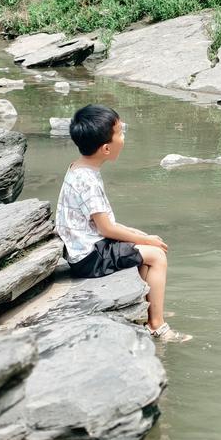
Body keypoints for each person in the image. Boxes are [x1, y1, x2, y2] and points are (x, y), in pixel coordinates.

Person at [56, 104, 190, 342]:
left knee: (145, 248)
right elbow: (106, 228)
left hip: (86, 247)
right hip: (89, 257)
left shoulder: (80, 168)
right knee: (157, 256)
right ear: (106, 148)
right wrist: (146, 240)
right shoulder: (88, 180)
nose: (123, 137)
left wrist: (139, 235)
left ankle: (150, 307)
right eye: (120, 133)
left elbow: (101, 223)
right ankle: (157, 325)